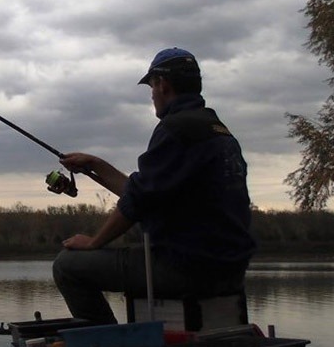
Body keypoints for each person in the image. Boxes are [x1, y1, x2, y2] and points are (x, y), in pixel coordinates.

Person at [52, 47, 255, 325]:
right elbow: (146, 192)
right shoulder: (218, 131)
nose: (151, 94)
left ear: (162, 84)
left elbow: (136, 202)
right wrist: (96, 164)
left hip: (184, 268)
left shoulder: (175, 129)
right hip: (228, 269)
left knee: (66, 266)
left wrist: (94, 243)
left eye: (151, 85)